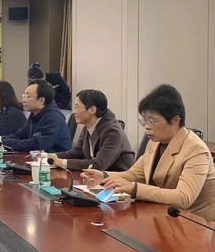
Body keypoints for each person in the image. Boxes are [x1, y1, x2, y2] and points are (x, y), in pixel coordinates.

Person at [81, 84, 215, 222]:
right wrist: (103, 176)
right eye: (144, 120)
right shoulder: (155, 142)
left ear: (175, 120)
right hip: (163, 217)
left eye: (152, 120)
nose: (146, 126)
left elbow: (183, 198)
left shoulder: (196, 150)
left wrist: (134, 189)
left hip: (194, 224)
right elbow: (135, 175)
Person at [49, 90, 134, 171]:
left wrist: (61, 162)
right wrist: (50, 156)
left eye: (77, 107)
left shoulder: (113, 132)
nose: (73, 112)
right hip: (94, 176)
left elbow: (98, 165)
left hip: (116, 177)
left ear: (92, 110)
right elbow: (76, 153)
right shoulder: (88, 126)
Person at [0, 80, 71, 152]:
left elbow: (36, 144)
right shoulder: (35, 114)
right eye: (24, 96)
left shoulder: (53, 118)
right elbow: (20, 135)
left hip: (52, 163)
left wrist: (2, 143)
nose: (23, 100)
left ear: (41, 101)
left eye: (28, 96)